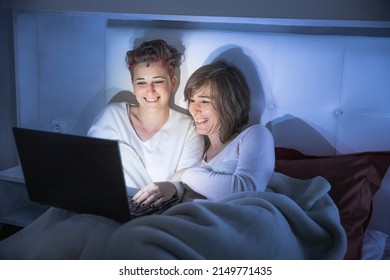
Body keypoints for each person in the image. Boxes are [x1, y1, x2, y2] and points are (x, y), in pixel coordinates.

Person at [134, 60, 275, 206]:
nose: (194, 110)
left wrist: (184, 174)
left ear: (229, 104)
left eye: (205, 101)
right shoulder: (198, 149)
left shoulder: (256, 135)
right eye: (192, 100)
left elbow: (246, 190)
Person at [88, 39, 204, 205]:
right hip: (103, 204)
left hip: (154, 212)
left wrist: (170, 187)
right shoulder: (112, 115)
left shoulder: (188, 129)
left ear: (172, 83)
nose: (150, 90)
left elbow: (185, 179)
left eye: (157, 81)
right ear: (133, 86)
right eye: (141, 82)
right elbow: (89, 168)